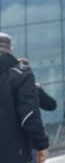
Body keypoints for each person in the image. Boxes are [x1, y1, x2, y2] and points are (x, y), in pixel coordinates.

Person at [0, 32, 49, 163]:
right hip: (13, 152)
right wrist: (41, 145)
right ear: (10, 50)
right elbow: (29, 114)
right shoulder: (20, 74)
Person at [19, 58, 57, 163]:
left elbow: (51, 105)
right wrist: (38, 90)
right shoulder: (30, 89)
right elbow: (51, 105)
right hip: (29, 141)